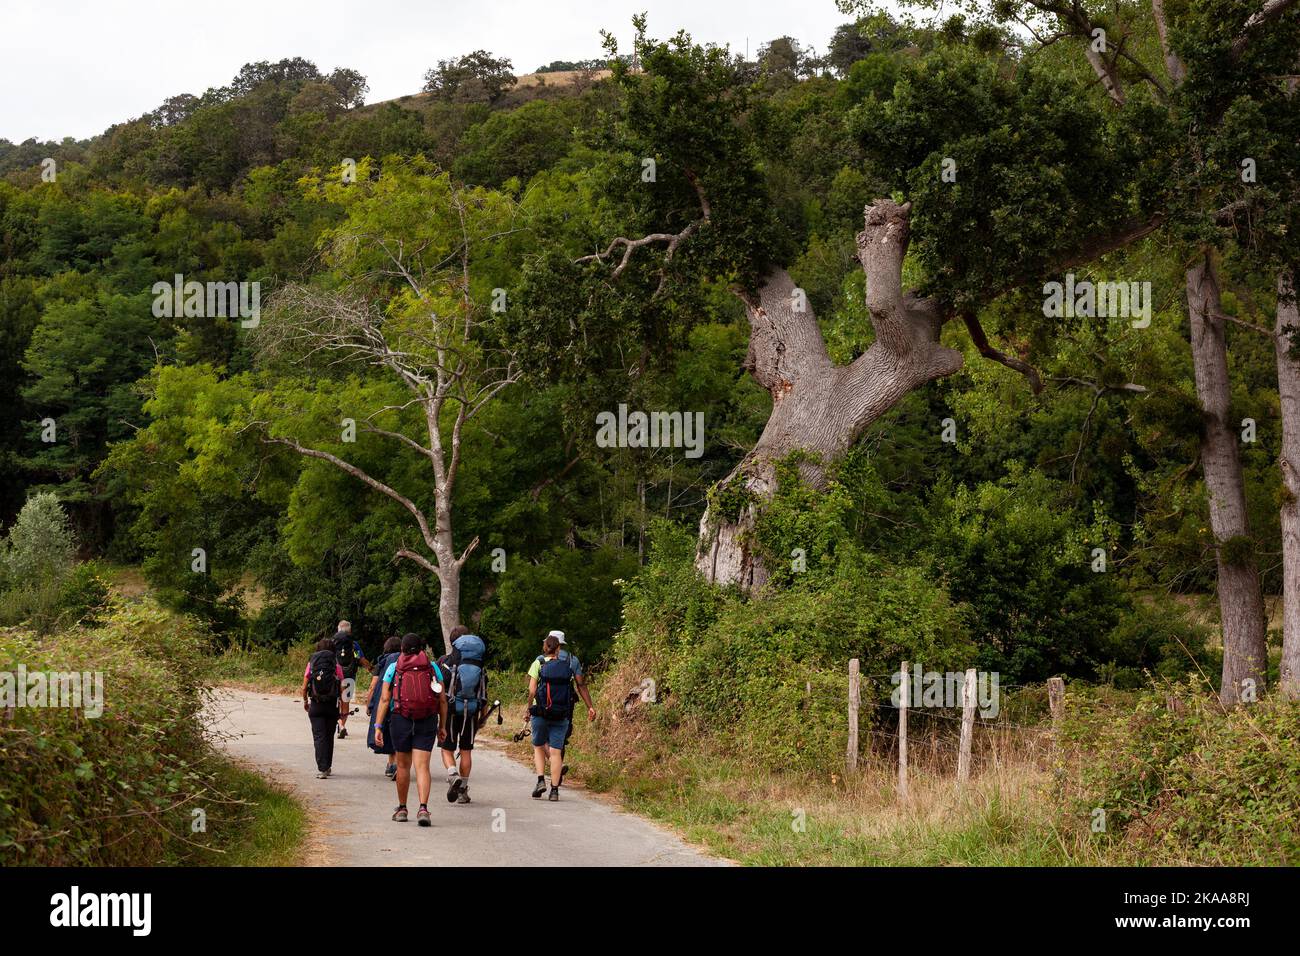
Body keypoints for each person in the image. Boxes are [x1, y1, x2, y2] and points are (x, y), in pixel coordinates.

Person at [373, 633, 447, 826]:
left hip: (400, 719)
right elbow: (442, 699)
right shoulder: (432, 668)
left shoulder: (393, 667)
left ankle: (402, 808)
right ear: (422, 649)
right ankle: (423, 808)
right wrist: (442, 725)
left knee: (403, 766)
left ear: (402, 649)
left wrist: (378, 726)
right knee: (423, 767)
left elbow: (384, 699)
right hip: (427, 719)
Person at [526, 629, 595, 797]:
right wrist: (590, 706)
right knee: (557, 749)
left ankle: (541, 779)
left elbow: (532, 690)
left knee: (539, 744)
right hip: (563, 711)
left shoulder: (539, 661)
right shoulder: (572, 661)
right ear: (560, 645)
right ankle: (555, 790)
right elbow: (581, 684)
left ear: (546, 645)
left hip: (541, 711)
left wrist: (528, 709)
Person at [438, 625, 488, 804]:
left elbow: (438, 689)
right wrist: (482, 716)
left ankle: (452, 772)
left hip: (450, 711)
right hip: (472, 712)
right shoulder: (479, 664)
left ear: (453, 643)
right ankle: (462, 792)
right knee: (466, 751)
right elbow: (483, 693)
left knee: (447, 748)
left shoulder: (445, 661)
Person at [302, 638, 348, 779]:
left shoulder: (312, 664)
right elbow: (343, 690)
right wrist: (343, 711)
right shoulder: (337, 666)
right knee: (329, 737)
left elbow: (304, 687)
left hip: (316, 705)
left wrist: (305, 701)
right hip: (331, 706)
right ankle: (327, 767)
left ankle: (322, 769)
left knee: (319, 737)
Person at [367, 636, 402, 779]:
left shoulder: (382, 662)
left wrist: (370, 704)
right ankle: (395, 764)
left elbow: (373, 686)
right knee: (398, 732)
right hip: (401, 701)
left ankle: (391, 765)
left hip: (385, 700)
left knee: (386, 731)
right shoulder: (404, 660)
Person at [331, 620, 371, 739]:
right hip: (349, 677)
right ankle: (342, 725)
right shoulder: (354, 645)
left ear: (338, 630)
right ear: (350, 631)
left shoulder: (331, 643)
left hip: (334, 678)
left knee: (333, 701)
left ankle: (337, 724)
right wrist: (371, 668)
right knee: (345, 702)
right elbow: (361, 659)